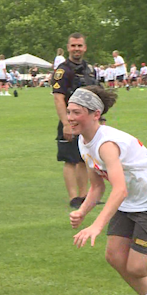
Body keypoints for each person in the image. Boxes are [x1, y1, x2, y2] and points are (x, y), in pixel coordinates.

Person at [67, 86, 147, 294]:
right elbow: (97, 186)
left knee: (138, 267)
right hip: (132, 202)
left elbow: (119, 190)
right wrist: (82, 212)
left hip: (143, 202)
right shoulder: (84, 141)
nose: (70, 117)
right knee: (115, 256)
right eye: (69, 111)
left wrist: (96, 226)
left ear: (96, 114)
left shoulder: (107, 144)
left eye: (77, 112)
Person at [52, 32, 97, 209]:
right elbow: (58, 98)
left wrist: (100, 119)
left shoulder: (90, 69)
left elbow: (96, 95)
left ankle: (84, 195)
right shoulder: (63, 70)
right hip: (70, 119)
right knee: (70, 159)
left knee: (84, 158)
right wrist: (66, 123)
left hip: (88, 121)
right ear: (68, 47)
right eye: (73, 46)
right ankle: (73, 198)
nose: (76, 49)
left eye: (80, 45)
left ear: (85, 47)